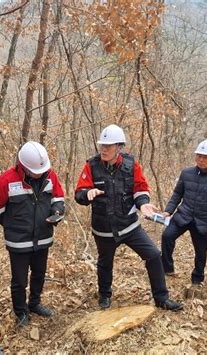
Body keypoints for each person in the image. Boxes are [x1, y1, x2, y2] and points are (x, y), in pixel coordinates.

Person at [74, 124, 183, 311]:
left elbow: (140, 188)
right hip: (103, 228)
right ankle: (104, 296)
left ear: (119, 147)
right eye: (102, 145)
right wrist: (87, 194)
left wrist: (143, 203)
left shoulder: (131, 165)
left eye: (109, 146)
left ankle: (161, 298)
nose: (104, 149)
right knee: (105, 262)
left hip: (129, 226)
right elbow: (79, 193)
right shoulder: (91, 166)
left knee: (154, 255)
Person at [0, 141, 65, 326]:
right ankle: (21, 312)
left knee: (39, 273)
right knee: (19, 280)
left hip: (44, 237)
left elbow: (58, 197)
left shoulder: (50, 176)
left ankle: (35, 303)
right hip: (18, 242)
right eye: (34, 171)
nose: (38, 174)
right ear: (23, 166)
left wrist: (57, 211)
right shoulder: (6, 180)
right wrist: (12, 224)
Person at [161, 139, 207, 285]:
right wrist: (168, 211)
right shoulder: (187, 173)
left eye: (205, 157)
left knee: (201, 252)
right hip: (183, 215)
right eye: (199, 156)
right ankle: (167, 268)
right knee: (167, 236)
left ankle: (197, 278)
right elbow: (177, 194)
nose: (201, 160)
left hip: (204, 220)